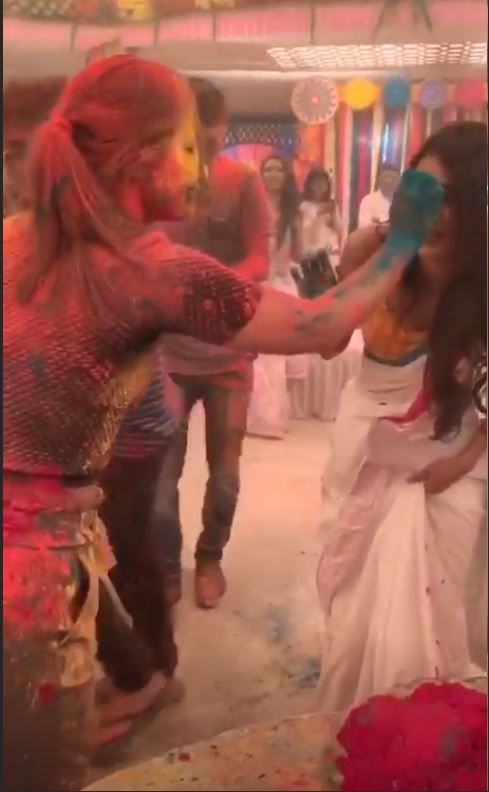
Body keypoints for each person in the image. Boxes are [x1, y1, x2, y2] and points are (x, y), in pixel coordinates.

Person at [3, 53, 442, 792]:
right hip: (29, 577)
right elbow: (321, 327)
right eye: (188, 146)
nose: (202, 167)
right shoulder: (148, 270)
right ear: (142, 157)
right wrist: (403, 240)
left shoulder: (16, 235)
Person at [3, 75, 166, 749]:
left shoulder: (110, 241)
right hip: (56, 451)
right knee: (90, 567)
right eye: (11, 154)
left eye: (27, 152)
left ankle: (140, 679)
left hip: (118, 437)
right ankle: (129, 677)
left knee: (107, 560)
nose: (19, 170)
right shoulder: (32, 232)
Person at [317, 122, 487, 714]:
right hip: (362, 445)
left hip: (447, 460)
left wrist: (459, 464)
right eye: (425, 192)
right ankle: (354, 721)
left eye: (456, 199)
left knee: (431, 613)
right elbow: (326, 342)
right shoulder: (372, 252)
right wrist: (386, 249)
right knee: (353, 611)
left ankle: (425, 727)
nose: (438, 214)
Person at [158, 77, 271, 610]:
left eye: (208, 134)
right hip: (167, 353)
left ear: (222, 129)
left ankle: (209, 558)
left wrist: (211, 287)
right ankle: (165, 565)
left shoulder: (242, 181)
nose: (200, 145)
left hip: (228, 351)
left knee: (224, 477)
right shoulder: (159, 182)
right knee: (160, 481)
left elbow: (260, 257)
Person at [247, 153, 309, 436]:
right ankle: (259, 417)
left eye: (278, 170)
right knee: (258, 354)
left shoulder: (294, 212)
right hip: (256, 283)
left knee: (276, 353)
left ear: (286, 176)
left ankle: (273, 417)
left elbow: (299, 254)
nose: (273, 174)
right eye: (268, 170)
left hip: (282, 284)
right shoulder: (253, 206)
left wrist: (297, 230)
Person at [300, 166, 342, 274]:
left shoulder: (332, 205)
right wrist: (318, 213)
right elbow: (303, 231)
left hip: (330, 255)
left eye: (323, 183)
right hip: (309, 255)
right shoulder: (303, 206)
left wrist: (332, 219)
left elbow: (339, 229)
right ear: (310, 185)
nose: (320, 186)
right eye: (316, 183)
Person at [358, 162, 400, 229]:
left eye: (392, 178)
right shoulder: (368, 201)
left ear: (398, 180)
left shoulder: (405, 202)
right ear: (378, 179)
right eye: (385, 177)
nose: (388, 181)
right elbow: (363, 227)